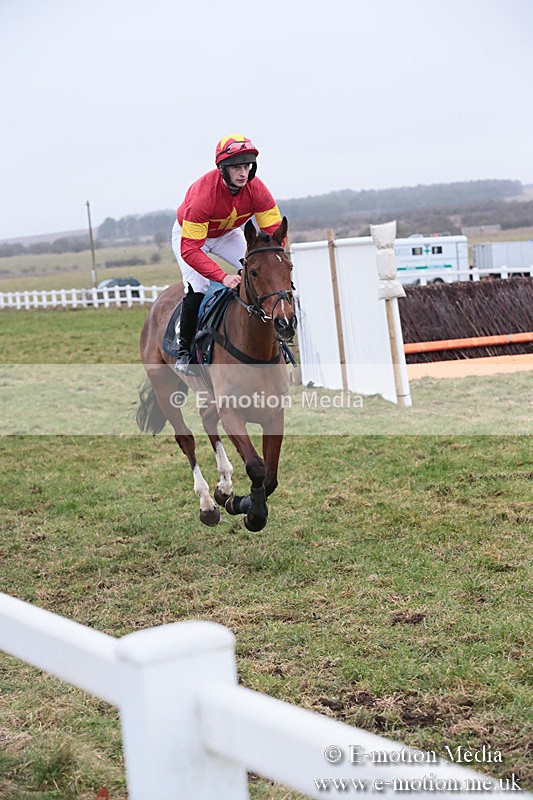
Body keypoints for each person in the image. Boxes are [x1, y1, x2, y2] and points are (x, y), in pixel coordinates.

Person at [171, 134, 282, 373]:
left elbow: (275, 234)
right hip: (191, 238)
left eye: (247, 167)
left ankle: (271, 338)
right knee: (198, 286)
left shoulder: (257, 189)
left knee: (260, 274)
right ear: (223, 169)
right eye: (236, 168)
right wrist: (223, 277)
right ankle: (184, 350)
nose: (243, 174)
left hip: (227, 234)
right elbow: (190, 250)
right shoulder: (202, 196)